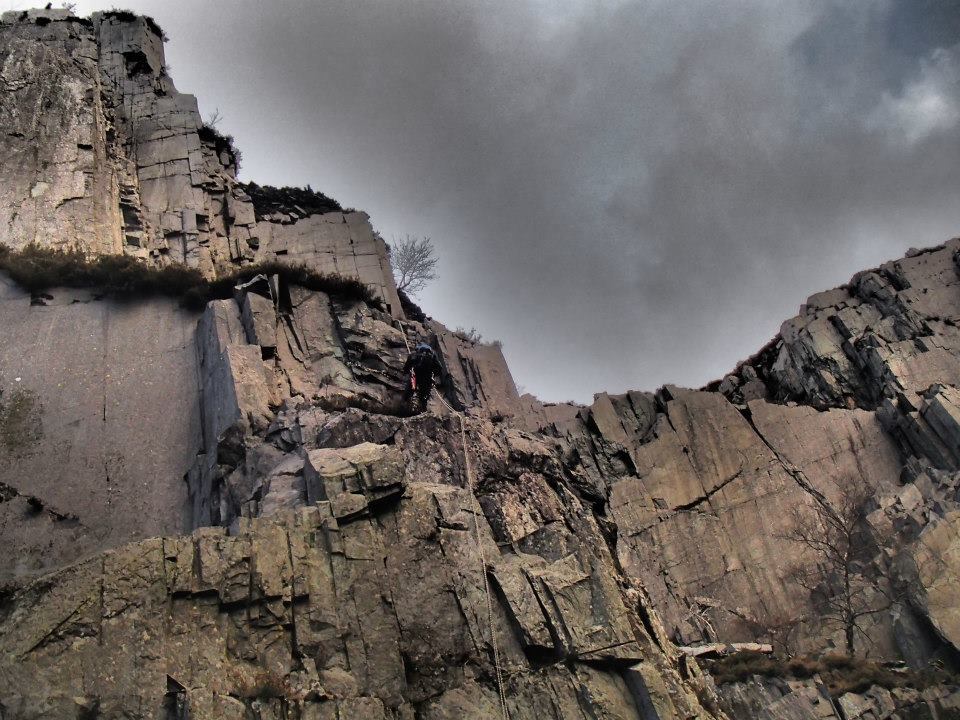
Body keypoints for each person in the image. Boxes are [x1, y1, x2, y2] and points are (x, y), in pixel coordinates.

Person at [402, 343, 443, 412]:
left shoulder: (413, 355)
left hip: (415, 377)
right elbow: (439, 368)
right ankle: (423, 409)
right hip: (427, 378)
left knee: (409, 390)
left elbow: (406, 368)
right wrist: (434, 374)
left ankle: (404, 406)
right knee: (424, 395)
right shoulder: (432, 356)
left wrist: (406, 373)